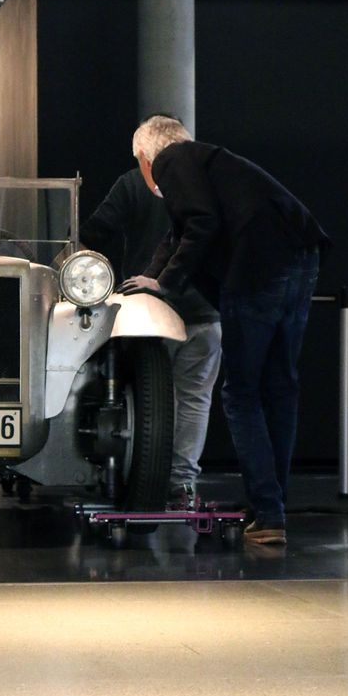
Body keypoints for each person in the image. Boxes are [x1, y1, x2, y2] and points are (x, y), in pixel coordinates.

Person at [122, 115, 328, 546]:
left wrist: (163, 284)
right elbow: (177, 233)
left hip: (257, 269)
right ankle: (271, 508)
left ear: (145, 157)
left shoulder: (170, 160)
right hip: (301, 256)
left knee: (240, 394)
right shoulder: (209, 162)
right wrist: (153, 275)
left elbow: (199, 223)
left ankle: (269, 512)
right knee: (279, 387)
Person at [80, 168, 222, 505]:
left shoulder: (132, 182)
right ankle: (181, 483)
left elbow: (90, 236)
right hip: (205, 310)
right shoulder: (210, 181)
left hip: (147, 315)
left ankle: (141, 479)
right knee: (194, 399)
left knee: (144, 401)